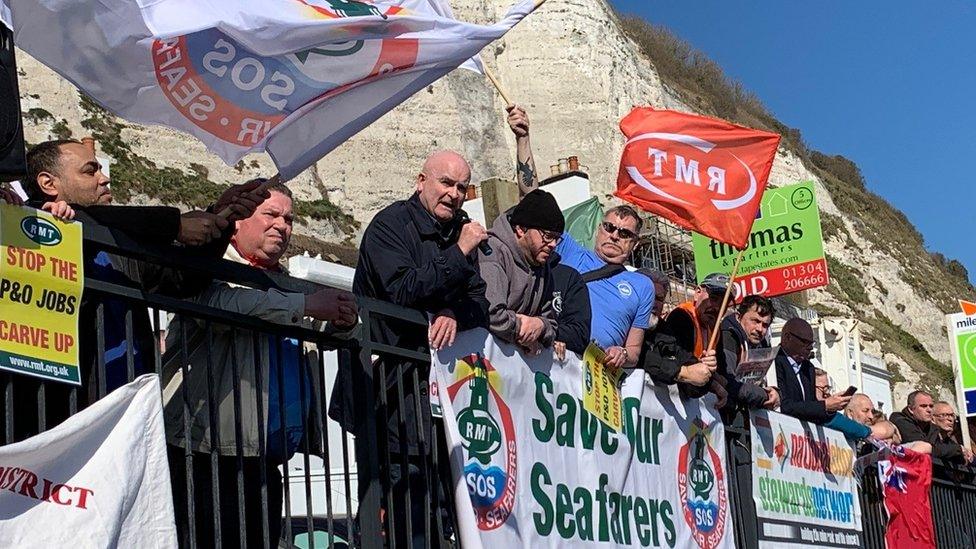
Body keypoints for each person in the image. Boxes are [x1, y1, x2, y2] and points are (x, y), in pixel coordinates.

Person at [162, 183, 359, 547]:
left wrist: (341, 323)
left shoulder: (286, 285)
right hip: (206, 451)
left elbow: (319, 328)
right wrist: (306, 306)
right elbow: (221, 306)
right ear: (236, 225)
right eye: (271, 214)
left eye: (289, 219)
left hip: (263, 459)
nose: (282, 226)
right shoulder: (210, 266)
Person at [333, 150, 489, 548]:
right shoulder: (390, 226)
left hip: (437, 394)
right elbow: (402, 291)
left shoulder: (458, 232)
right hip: (388, 389)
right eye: (446, 183)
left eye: (461, 187)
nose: (454, 195)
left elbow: (481, 303)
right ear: (421, 181)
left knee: (441, 504)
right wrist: (459, 254)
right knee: (404, 508)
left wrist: (452, 311)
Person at [505, 105, 653, 368]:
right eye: (609, 227)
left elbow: (634, 351)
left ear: (635, 242)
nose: (614, 236)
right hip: (557, 358)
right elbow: (533, 205)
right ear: (599, 228)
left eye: (624, 233)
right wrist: (523, 139)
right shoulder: (569, 250)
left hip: (598, 378)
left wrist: (622, 354)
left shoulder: (642, 286)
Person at [479, 189, 563, 353]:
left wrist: (540, 326)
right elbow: (492, 314)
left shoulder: (543, 266)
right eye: (547, 235)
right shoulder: (492, 252)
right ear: (521, 229)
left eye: (557, 238)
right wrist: (522, 331)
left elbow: (551, 323)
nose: (553, 244)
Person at [637, 269, 717, 393]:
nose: (653, 303)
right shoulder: (619, 321)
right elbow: (638, 357)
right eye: (648, 295)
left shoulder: (663, 330)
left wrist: (704, 371)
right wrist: (681, 372)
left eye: (659, 299)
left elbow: (683, 359)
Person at [775, 318, 850, 423]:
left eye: (811, 343)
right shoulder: (774, 361)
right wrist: (825, 405)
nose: (809, 348)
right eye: (805, 342)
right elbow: (783, 406)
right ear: (788, 338)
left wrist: (831, 407)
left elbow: (811, 407)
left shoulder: (808, 367)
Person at [715, 294, 779, 410]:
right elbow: (728, 382)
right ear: (739, 317)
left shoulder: (762, 344)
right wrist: (764, 395)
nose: (760, 329)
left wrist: (775, 392)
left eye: (765, 325)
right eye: (755, 321)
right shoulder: (728, 336)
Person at [891, 392, 972, 462]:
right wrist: (957, 449)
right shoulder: (900, 420)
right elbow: (926, 447)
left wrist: (963, 454)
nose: (929, 410)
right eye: (923, 406)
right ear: (911, 409)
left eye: (931, 406)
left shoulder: (931, 427)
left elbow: (940, 447)